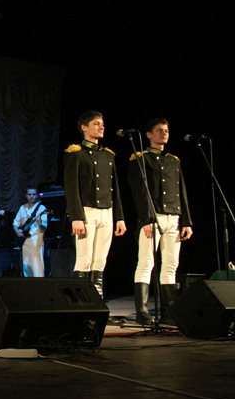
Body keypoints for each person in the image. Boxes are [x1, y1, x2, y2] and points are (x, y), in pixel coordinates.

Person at [128, 118, 192, 325]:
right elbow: (139, 192)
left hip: (174, 217)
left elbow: (182, 192)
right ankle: (142, 310)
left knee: (171, 265)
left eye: (166, 130)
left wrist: (186, 221)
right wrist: (145, 219)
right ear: (149, 135)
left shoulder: (174, 160)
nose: (164, 133)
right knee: (146, 263)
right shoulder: (141, 158)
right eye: (159, 130)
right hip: (153, 218)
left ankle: (169, 311)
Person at [64, 111, 126, 298]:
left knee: (100, 260)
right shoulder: (76, 153)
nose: (101, 127)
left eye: (102, 124)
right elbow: (72, 188)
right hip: (87, 212)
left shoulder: (108, 155)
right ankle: (81, 300)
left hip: (107, 212)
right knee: (84, 258)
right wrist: (76, 217)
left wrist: (120, 217)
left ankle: (97, 298)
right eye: (96, 124)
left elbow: (115, 189)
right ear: (84, 127)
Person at [13, 186, 49, 277]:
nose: (31, 196)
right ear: (26, 195)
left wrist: (39, 223)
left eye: (33, 194)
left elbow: (43, 229)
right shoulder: (22, 208)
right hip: (24, 241)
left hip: (36, 241)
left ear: (37, 195)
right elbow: (16, 223)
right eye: (29, 194)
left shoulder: (41, 208)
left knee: (37, 266)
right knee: (26, 267)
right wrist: (17, 231)